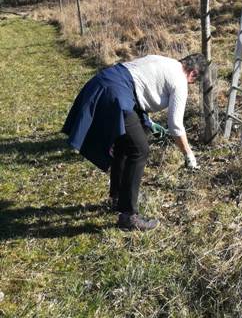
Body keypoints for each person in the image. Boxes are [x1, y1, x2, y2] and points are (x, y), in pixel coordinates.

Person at [62, 53, 207, 231]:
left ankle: (117, 198)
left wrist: (149, 123)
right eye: (193, 82)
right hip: (116, 93)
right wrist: (188, 155)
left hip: (103, 81)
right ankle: (128, 216)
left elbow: (139, 86)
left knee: (125, 145)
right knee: (140, 150)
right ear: (193, 74)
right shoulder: (180, 81)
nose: (190, 84)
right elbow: (176, 125)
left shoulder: (163, 60)